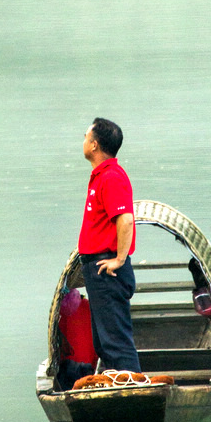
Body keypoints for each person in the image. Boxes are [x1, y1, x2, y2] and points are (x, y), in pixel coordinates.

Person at [78, 118, 141, 373]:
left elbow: (125, 220)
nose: (82, 141)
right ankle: (120, 394)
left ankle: (135, 396)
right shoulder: (101, 175)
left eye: (85, 137)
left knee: (116, 344)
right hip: (98, 270)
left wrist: (119, 259)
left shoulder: (111, 177)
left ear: (94, 145)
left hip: (108, 269)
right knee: (104, 344)